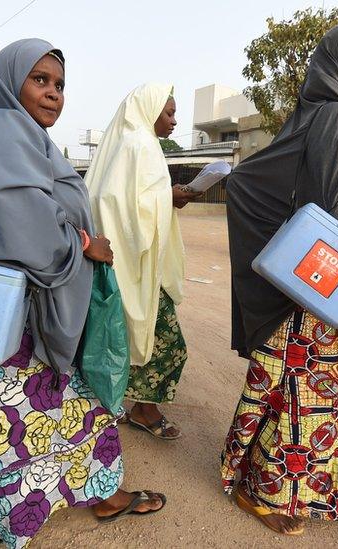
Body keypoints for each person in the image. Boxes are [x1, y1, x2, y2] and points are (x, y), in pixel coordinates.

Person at [0, 39, 166, 548]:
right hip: (11, 314)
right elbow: (24, 227)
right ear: (10, 80)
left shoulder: (30, 139)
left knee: (65, 407)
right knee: (1, 417)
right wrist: (86, 247)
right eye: (40, 80)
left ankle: (99, 491)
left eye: (60, 85)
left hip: (35, 309)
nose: (53, 94)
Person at [220, 14, 338, 535]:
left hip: (337, 286)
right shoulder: (335, 117)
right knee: (305, 395)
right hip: (318, 293)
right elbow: (334, 204)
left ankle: (335, 494)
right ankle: (264, 490)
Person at [84, 84, 201, 440]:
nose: (174, 120)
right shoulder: (139, 145)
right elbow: (119, 202)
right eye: (168, 112)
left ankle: (121, 404)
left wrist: (167, 197)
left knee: (128, 336)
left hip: (128, 264)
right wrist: (172, 196)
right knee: (168, 344)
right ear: (149, 111)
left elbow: (120, 199)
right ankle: (143, 411)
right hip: (135, 266)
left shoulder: (130, 143)